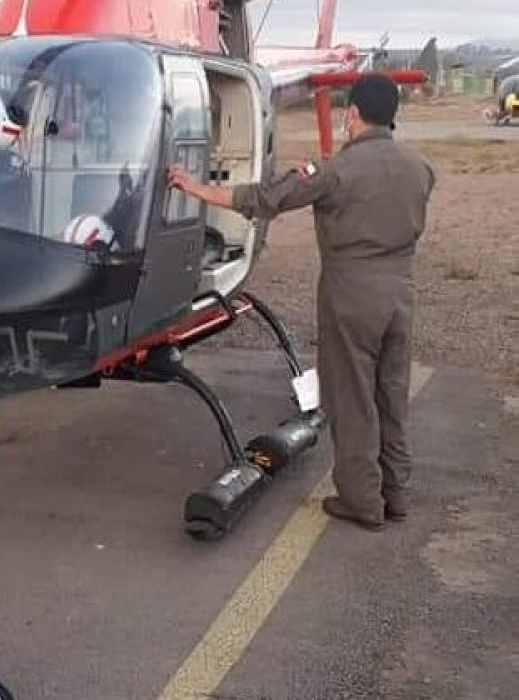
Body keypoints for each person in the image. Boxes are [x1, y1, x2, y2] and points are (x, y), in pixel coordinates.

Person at [168, 73, 435, 531]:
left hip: (351, 292)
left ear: (351, 115)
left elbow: (267, 198)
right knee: (391, 395)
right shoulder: (419, 167)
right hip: (400, 292)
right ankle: (396, 494)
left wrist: (196, 188)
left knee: (351, 397)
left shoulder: (337, 170)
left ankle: (361, 501)